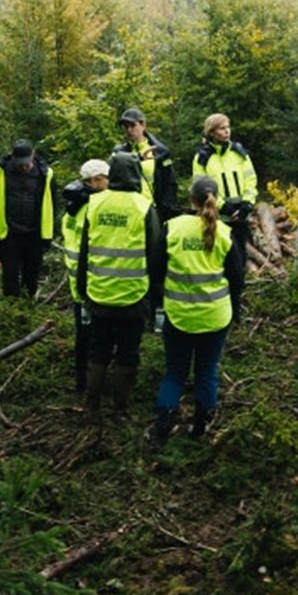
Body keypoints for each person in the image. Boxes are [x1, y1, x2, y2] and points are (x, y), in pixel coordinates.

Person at [146, 176, 243, 450]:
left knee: (175, 373)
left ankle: (160, 430)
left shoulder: (172, 229)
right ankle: (200, 427)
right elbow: (237, 279)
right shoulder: (225, 233)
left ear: (191, 199)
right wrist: (236, 310)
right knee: (207, 372)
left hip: (178, 317)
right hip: (215, 318)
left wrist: (157, 306)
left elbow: (155, 271)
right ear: (216, 199)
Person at [78, 151, 164, 426]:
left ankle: (92, 407)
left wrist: (83, 288)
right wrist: (157, 297)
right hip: (133, 296)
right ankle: (121, 410)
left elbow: (84, 251)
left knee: (98, 349)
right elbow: (155, 254)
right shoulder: (142, 206)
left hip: (99, 293)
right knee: (128, 352)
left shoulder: (95, 204)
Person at [192, 113, 258, 322]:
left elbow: (251, 181)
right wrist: (225, 207)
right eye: (221, 128)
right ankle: (216, 310)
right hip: (218, 219)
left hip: (241, 218)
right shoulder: (202, 158)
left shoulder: (240, 153)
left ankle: (235, 312)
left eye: (228, 127)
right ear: (211, 132)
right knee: (219, 266)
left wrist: (247, 204)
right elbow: (201, 188)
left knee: (239, 269)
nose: (226, 131)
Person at [61, 158, 110, 394]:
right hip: (92, 283)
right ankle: (93, 386)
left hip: (76, 284)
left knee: (83, 338)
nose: (109, 183)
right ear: (94, 181)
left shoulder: (72, 207)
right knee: (96, 340)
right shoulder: (93, 208)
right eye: (106, 178)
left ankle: (82, 383)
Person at [0, 139, 55, 298]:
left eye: (26, 163)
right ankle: (11, 310)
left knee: (31, 275)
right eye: (20, 164)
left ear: (33, 155)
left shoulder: (46, 173)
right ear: (12, 157)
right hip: (9, 233)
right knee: (10, 275)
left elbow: (52, 204)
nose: (24, 167)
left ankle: (28, 307)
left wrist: (48, 236)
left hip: (35, 233)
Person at [114, 107, 178, 222]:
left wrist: (165, 210)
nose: (129, 130)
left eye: (132, 125)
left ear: (143, 125)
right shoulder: (119, 153)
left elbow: (170, 183)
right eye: (125, 126)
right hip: (128, 210)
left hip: (153, 210)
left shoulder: (160, 151)